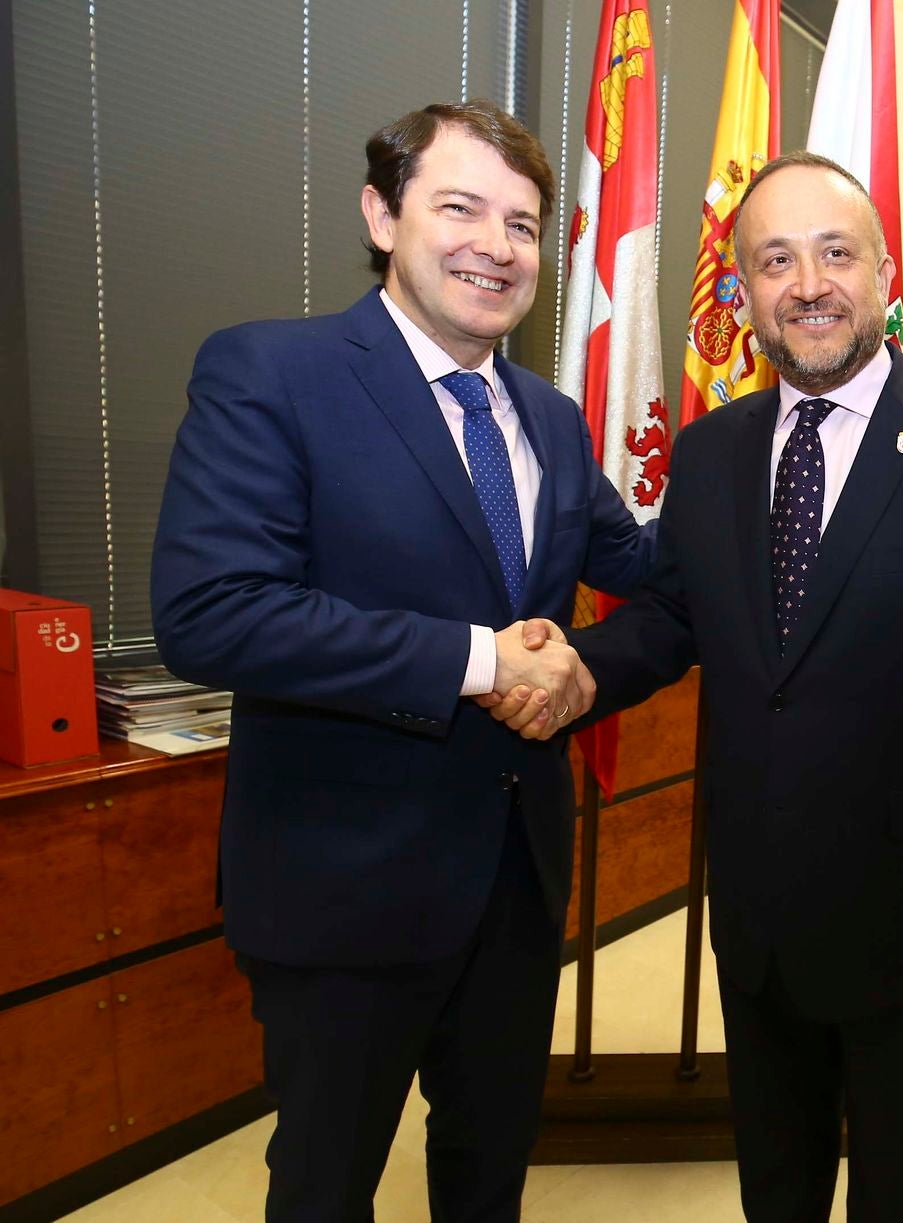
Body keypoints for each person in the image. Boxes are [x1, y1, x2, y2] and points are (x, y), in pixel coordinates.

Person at [486, 151, 903, 1221]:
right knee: (776, 1171)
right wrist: (571, 672)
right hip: (755, 897)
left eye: (833, 252)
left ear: (883, 273)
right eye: (775, 260)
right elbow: (677, 616)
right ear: (745, 294)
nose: (807, 283)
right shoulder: (713, 452)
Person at [151, 100, 654, 1223]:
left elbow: (654, 579)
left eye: (524, 223)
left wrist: (583, 666)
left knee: (488, 1179)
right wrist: (481, 661)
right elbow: (212, 612)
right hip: (343, 890)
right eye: (460, 207)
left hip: (516, 887)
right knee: (325, 1186)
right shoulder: (272, 373)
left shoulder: (553, 421)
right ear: (381, 215)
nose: (497, 244)